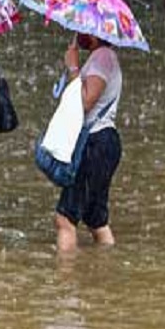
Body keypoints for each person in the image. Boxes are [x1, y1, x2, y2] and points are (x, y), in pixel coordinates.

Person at [55, 33, 123, 253]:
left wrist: (73, 67)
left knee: (65, 219)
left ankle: (65, 279)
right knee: (95, 219)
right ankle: (103, 268)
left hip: (96, 142)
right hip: (104, 142)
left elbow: (85, 102)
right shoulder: (104, 56)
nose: (78, 34)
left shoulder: (102, 57)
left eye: (81, 30)